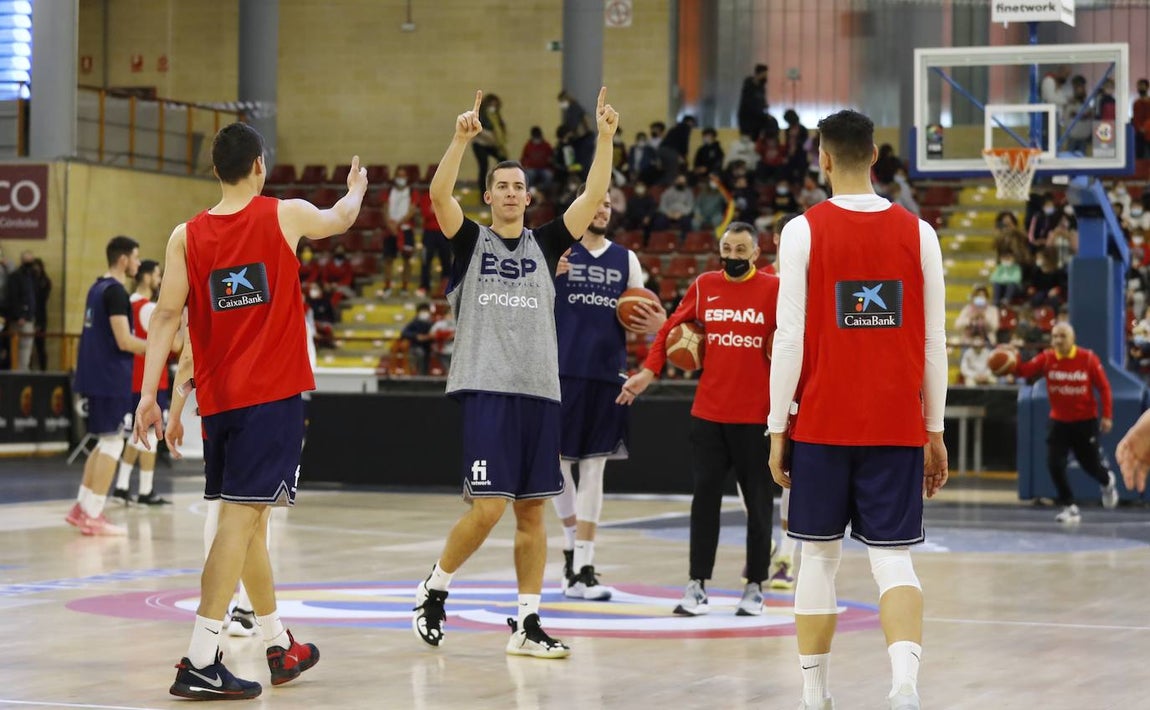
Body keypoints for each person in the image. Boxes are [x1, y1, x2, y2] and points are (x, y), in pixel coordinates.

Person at [133, 122, 366, 698]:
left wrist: (152, 395)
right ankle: (200, 660)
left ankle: (277, 644)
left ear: (215, 170)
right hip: (270, 399)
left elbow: (166, 319)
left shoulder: (185, 236)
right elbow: (340, 219)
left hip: (223, 405)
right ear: (259, 165)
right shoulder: (281, 216)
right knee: (241, 523)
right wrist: (357, 189)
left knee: (252, 524)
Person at [411, 88, 617, 659]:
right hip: (487, 388)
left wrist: (604, 137)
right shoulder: (469, 241)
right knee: (488, 507)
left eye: (518, 187)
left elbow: (595, 193)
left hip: (540, 391)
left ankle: (527, 623)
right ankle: (434, 588)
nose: (509, 193)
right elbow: (437, 196)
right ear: (489, 195)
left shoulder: (549, 242)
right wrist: (459, 140)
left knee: (532, 511)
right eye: (500, 186)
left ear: (529, 197)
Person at [767, 109, 949, 710]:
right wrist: (935, 429)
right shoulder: (920, 233)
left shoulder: (802, 231)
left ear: (822, 158)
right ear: (876, 157)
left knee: (817, 557)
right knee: (893, 562)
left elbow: (788, 339)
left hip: (821, 423)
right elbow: (933, 343)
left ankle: (814, 694)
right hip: (896, 426)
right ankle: (904, 685)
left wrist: (775, 427)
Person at [618, 221, 779, 618]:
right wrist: (648, 373)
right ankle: (697, 585)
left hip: (757, 418)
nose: (734, 257)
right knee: (704, 501)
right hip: (709, 415)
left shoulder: (775, 290)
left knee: (758, 506)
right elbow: (670, 330)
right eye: (728, 249)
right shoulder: (705, 285)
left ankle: (755, 586)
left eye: (742, 250)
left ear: (756, 254)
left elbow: (796, 341)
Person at [552, 185, 666, 601]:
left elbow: (647, 313)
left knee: (595, 467)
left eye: (606, 204)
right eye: (594, 204)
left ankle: (584, 563)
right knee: (558, 466)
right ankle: (570, 550)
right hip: (560, 371)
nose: (601, 210)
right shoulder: (557, 253)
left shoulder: (626, 259)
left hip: (607, 372)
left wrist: (658, 325)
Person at [67, 236, 148, 536]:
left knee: (103, 441)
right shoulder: (115, 293)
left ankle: (82, 507)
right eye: (136, 258)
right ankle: (94, 513)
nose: (138, 264)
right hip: (109, 378)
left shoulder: (96, 287)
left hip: (94, 375)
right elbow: (124, 340)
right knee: (113, 442)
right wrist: (157, 346)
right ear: (124, 259)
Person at [1013, 322, 1118, 524]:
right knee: (1054, 464)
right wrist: (1011, 358)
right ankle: (1069, 506)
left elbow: (1104, 388)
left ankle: (1107, 481)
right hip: (1059, 421)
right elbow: (1024, 371)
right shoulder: (1047, 358)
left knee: (1091, 465)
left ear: (1072, 338)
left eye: (1063, 336)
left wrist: (1107, 415)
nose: (1058, 340)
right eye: (1055, 336)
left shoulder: (1087, 358)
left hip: (1084, 421)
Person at [113, 259, 178, 506]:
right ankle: (145, 490)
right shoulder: (148, 308)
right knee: (149, 435)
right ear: (148, 276)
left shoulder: (127, 304)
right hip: (150, 380)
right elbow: (173, 344)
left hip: (131, 378)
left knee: (135, 435)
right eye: (158, 275)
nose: (160, 280)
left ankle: (122, 486)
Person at [400, 302, 435, 375]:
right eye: (422, 311)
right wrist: (416, 336)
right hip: (415, 347)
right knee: (415, 362)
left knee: (424, 367)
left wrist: (430, 337)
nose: (425, 313)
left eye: (426, 311)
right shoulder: (414, 322)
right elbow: (404, 332)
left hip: (428, 349)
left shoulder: (432, 323)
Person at [738, 63, 769, 139]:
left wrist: (764, 106)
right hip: (747, 119)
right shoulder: (748, 86)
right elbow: (750, 104)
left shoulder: (761, 87)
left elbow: (761, 101)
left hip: (757, 120)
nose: (766, 76)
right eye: (765, 74)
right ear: (760, 73)